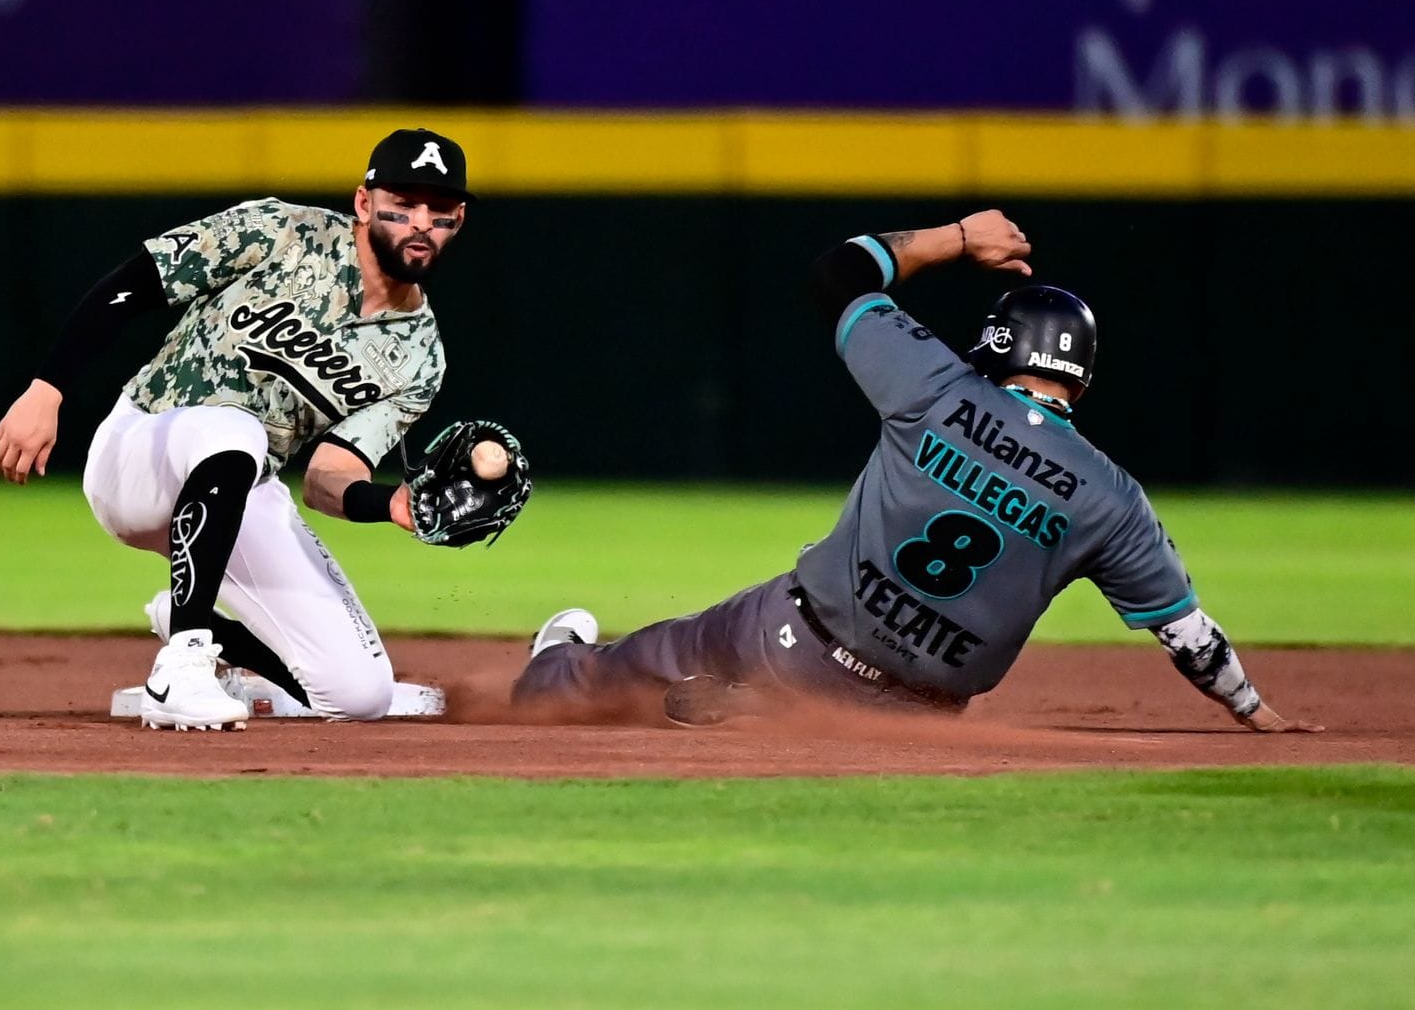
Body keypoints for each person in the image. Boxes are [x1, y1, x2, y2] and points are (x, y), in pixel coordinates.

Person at [513, 210, 1323, 734]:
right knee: (843, 700)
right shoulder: (1112, 499)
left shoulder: (936, 387)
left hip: (798, 642)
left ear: (1000, 344)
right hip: (922, 714)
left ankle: (557, 673)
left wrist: (962, 239)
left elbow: (837, 275)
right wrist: (1255, 712)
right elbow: (1189, 637)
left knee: (642, 660)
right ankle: (772, 710)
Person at [0, 127, 474, 731]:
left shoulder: (419, 357)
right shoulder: (281, 232)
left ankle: (200, 631)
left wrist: (393, 504)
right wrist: (48, 388)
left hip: (237, 488)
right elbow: (133, 283)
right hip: (143, 450)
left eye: (439, 211)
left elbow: (327, 480)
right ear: (363, 203)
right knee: (235, 427)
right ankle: (182, 669)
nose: (420, 222)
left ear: (457, 219)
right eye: (403, 205)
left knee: (360, 696)